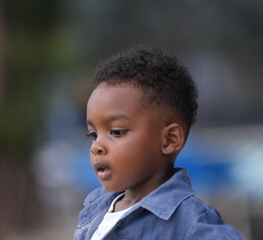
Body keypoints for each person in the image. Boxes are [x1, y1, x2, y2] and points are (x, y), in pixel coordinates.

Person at [74, 46, 244, 240]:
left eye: (117, 132)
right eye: (93, 135)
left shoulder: (190, 225)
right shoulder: (97, 208)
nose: (97, 147)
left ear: (169, 140)